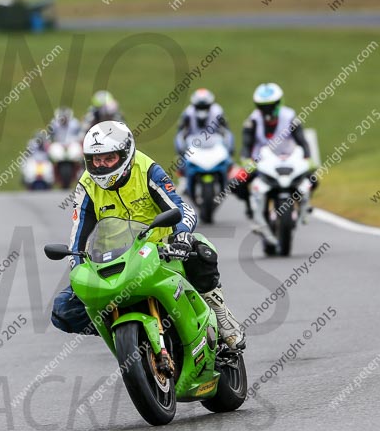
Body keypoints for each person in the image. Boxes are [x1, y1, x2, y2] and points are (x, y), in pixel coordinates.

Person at [51, 120, 245, 351]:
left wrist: (181, 236)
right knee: (63, 310)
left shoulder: (147, 169)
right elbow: (78, 233)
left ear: (126, 155)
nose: (101, 166)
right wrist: (78, 267)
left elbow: (182, 208)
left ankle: (220, 313)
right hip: (114, 260)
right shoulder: (86, 185)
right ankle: (123, 330)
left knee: (201, 249)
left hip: (159, 251)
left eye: (109, 158)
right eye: (96, 159)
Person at [238, 83, 317, 223]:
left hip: (288, 159)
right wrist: (246, 160)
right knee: (237, 181)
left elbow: (302, 141)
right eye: (263, 106)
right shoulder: (252, 121)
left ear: (279, 103)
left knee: (313, 180)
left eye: (271, 105)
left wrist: (308, 157)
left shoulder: (290, 117)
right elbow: (246, 145)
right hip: (260, 163)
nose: (267, 110)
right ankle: (250, 206)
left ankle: (303, 207)